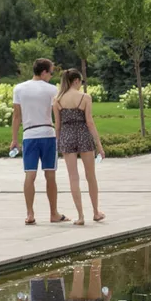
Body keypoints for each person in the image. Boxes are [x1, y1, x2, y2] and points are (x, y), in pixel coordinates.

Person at [10, 58, 63, 225]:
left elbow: (16, 116)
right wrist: (60, 134)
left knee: (30, 174)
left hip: (29, 135)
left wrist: (14, 139)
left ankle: (30, 213)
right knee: (50, 175)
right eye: (51, 72)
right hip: (48, 134)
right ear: (44, 72)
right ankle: (53, 213)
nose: (51, 76)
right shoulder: (52, 90)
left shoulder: (19, 88)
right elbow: (58, 115)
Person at [52, 68, 106, 225]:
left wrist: (58, 143)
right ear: (76, 80)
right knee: (90, 176)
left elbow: (57, 125)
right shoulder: (85, 97)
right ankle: (96, 212)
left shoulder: (57, 100)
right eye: (81, 81)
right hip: (83, 135)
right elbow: (89, 122)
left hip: (67, 136)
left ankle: (80, 216)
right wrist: (99, 145)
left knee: (73, 177)